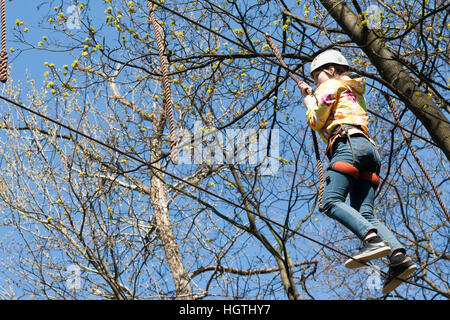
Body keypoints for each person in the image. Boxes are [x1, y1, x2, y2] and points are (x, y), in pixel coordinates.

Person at [297, 49, 417, 295]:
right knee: (366, 213)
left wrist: (310, 101)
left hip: (347, 145)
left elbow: (317, 120)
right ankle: (398, 258)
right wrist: (313, 96)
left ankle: (371, 241)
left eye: (316, 75)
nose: (315, 81)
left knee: (330, 202)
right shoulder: (353, 89)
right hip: (369, 153)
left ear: (330, 70)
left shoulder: (330, 84)